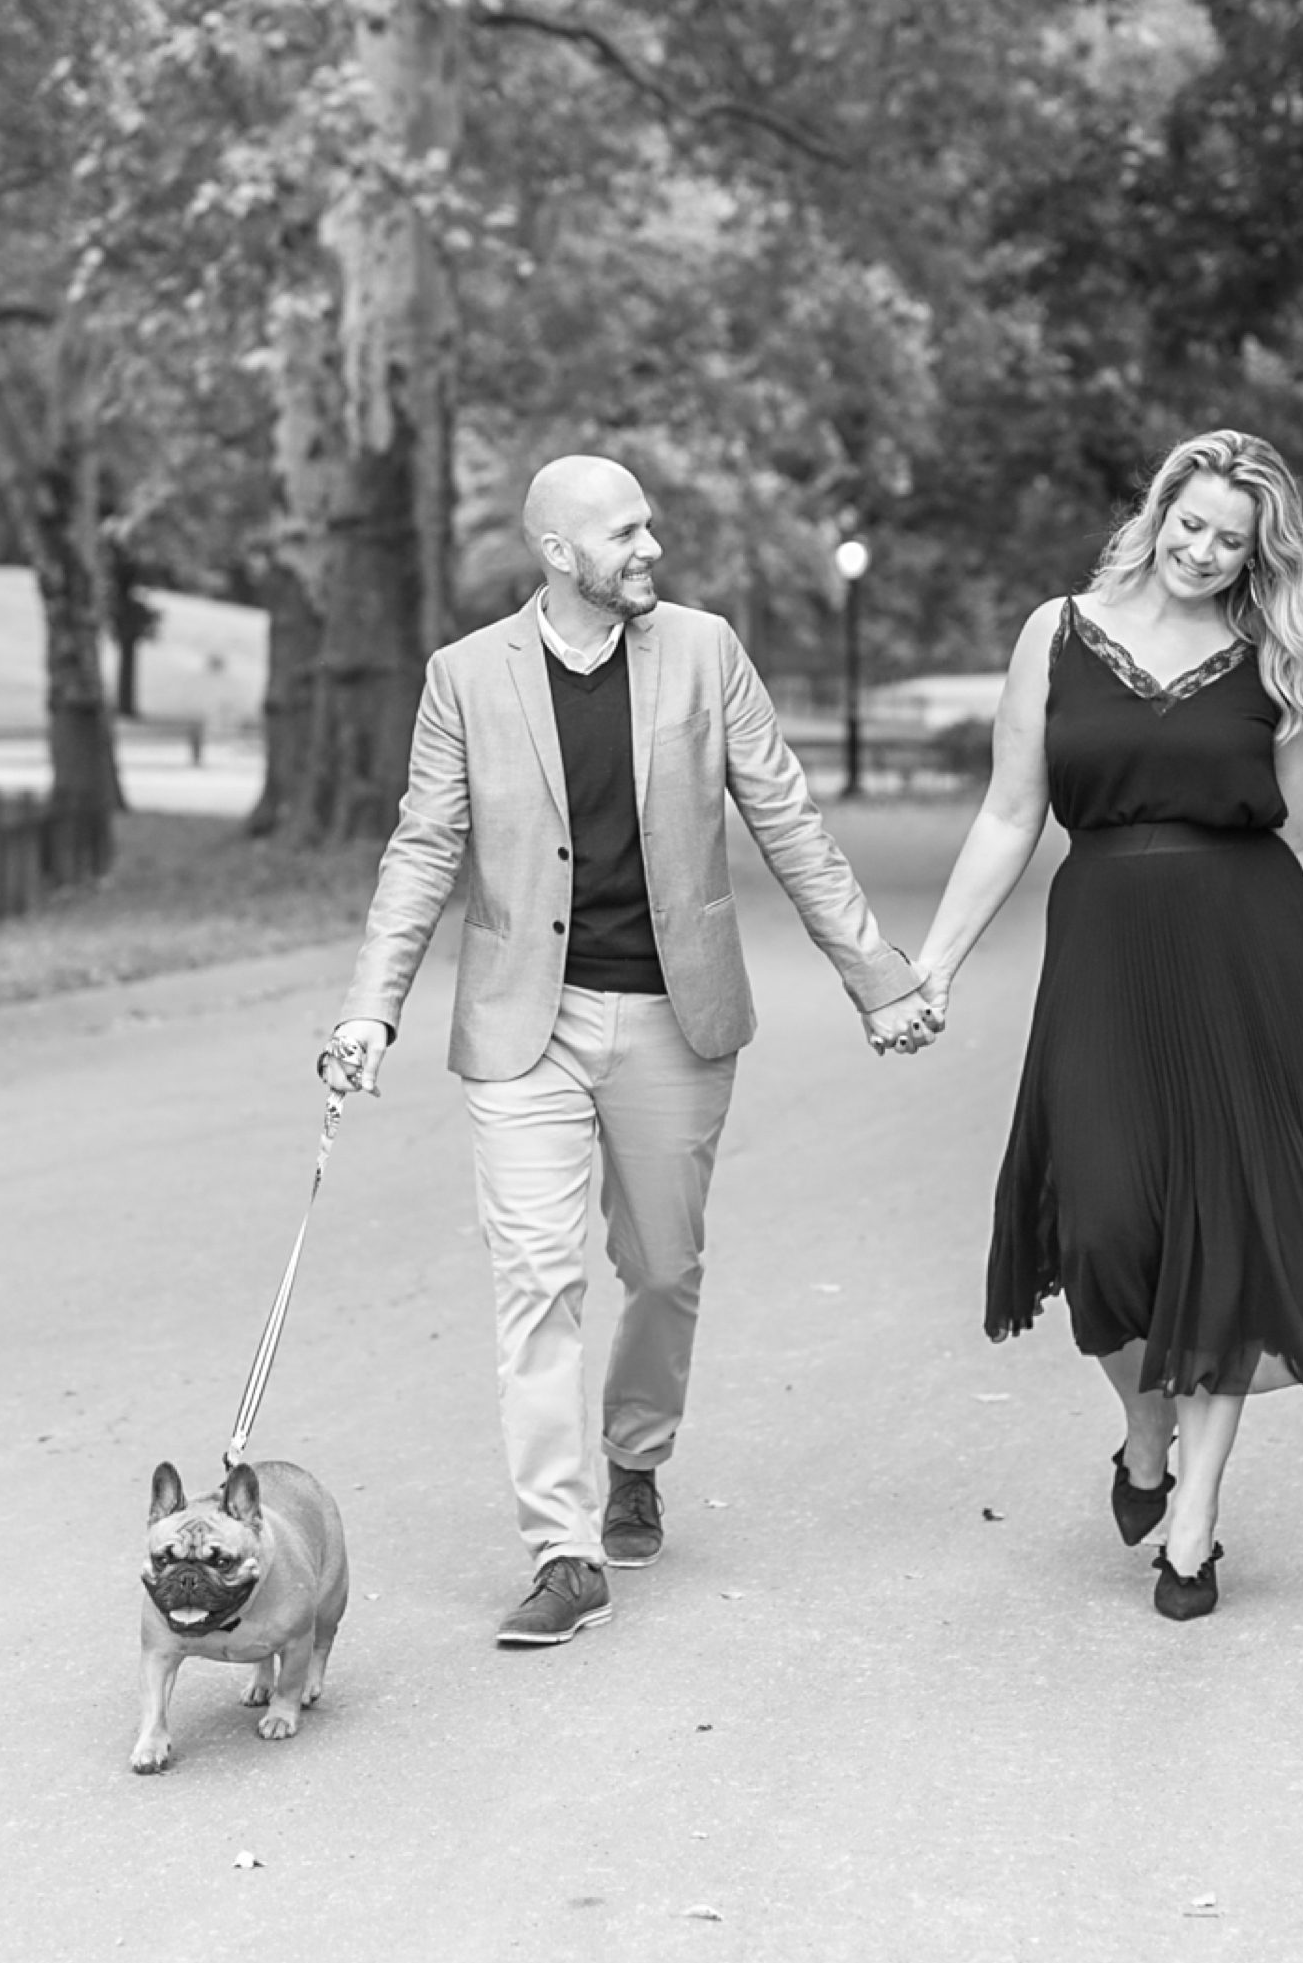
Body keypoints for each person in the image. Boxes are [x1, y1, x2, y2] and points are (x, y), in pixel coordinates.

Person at [325, 455, 939, 1648]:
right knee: (536, 1284)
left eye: (649, 526)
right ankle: (561, 1550)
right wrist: (369, 1008)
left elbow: (787, 820)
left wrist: (878, 978)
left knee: (661, 1268)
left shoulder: (706, 653)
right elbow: (421, 849)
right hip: (524, 1028)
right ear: (557, 553)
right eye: (624, 533)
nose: (649, 548)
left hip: (674, 1014)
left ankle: (636, 1457)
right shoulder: (465, 677)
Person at [913, 429, 1303, 1623]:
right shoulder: (1056, 634)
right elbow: (1008, 815)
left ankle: (1193, 1528)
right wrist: (932, 966)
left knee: (1222, 1234)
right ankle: (1141, 1435)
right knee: (1106, 1229)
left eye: (1232, 542)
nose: (1204, 551)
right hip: (1104, 955)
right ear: (1159, 507)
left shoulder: (1272, 653)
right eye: (1191, 524)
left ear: (1256, 554)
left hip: (1249, 959)